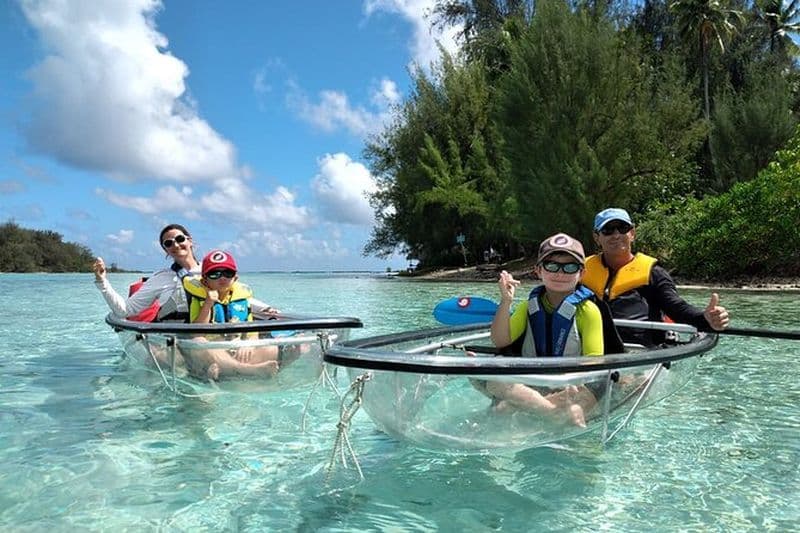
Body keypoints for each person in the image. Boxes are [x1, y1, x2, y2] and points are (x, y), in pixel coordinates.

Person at [481, 233, 604, 427]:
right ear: (538, 270)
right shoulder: (527, 308)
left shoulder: (588, 312)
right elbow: (500, 340)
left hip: (572, 385)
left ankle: (538, 407)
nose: (560, 274)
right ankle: (551, 411)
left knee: (506, 408)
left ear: (582, 274)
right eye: (551, 266)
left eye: (570, 267)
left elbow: (593, 366)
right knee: (490, 376)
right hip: (533, 383)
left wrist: (568, 391)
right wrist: (506, 301)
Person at [583, 208, 730, 347]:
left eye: (622, 228)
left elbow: (677, 307)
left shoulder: (654, 274)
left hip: (640, 351)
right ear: (597, 237)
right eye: (608, 230)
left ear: (632, 233)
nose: (616, 235)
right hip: (591, 348)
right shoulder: (580, 272)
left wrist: (704, 318)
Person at [179, 250, 290, 381]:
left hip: (235, 348)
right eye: (214, 274)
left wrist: (248, 344)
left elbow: (252, 331)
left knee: (270, 348)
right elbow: (197, 332)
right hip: (213, 348)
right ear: (204, 281)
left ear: (235, 278)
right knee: (199, 342)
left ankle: (231, 372)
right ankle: (245, 371)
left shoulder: (242, 299)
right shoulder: (200, 300)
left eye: (228, 273)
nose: (222, 278)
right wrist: (208, 303)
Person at [93, 223, 201, 321]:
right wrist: (102, 282)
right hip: (173, 338)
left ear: (190, 241)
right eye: (168, 243)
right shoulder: (160, 278)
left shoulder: (213, 271)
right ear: (165, 250)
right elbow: (124, 311)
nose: (176, 245)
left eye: (180, 239)